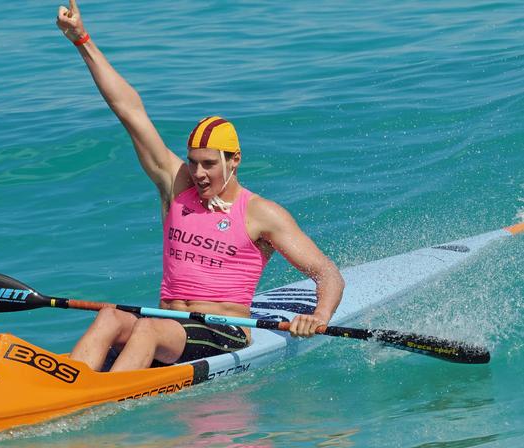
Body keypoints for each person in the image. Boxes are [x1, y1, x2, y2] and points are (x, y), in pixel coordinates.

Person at [56, 0, 345, 372]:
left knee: (146, 330)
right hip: (167, 326)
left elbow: (327, 273)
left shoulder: (260, 213)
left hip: (222, 331)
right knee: (110, 317)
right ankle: (65, 385)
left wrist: (318, 316)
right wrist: (83, 41)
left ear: (234, 160)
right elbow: (130, 111)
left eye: (209, 164)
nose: (198, 173)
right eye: (192, 163)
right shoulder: (177, 187)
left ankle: (96, 403)